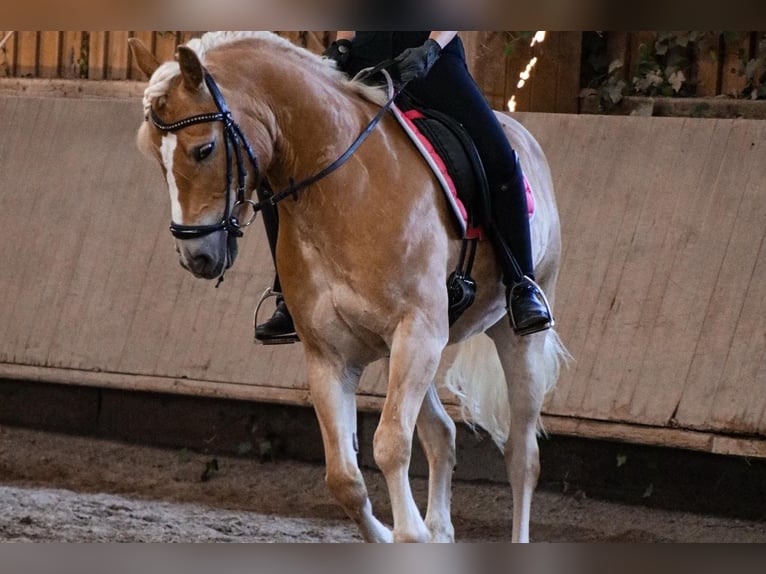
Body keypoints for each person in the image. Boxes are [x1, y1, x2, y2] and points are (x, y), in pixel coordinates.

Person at [255, 31, 552, 343]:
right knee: (282, 157)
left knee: (499, 157)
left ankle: (521, 283)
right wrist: (343, 43)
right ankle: (288, 294)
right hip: (363, 60)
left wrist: (433, 46)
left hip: (429, 58)